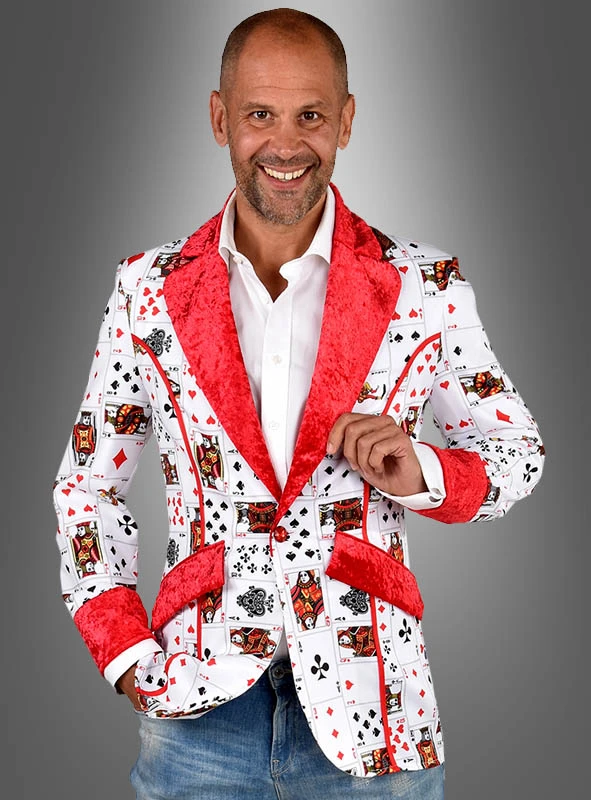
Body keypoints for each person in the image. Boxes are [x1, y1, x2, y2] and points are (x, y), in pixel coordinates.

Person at [53, 8, 544, 799]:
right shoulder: (146, 288)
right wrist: (124, 654)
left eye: (309, 115)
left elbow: (516, 454)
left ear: (345, 121)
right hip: (195, 706)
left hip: (376, 706)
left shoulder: (424, 284)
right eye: (259, 115)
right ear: (220, 118)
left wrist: (420, 470)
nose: (285, 144)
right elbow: (87, 486)